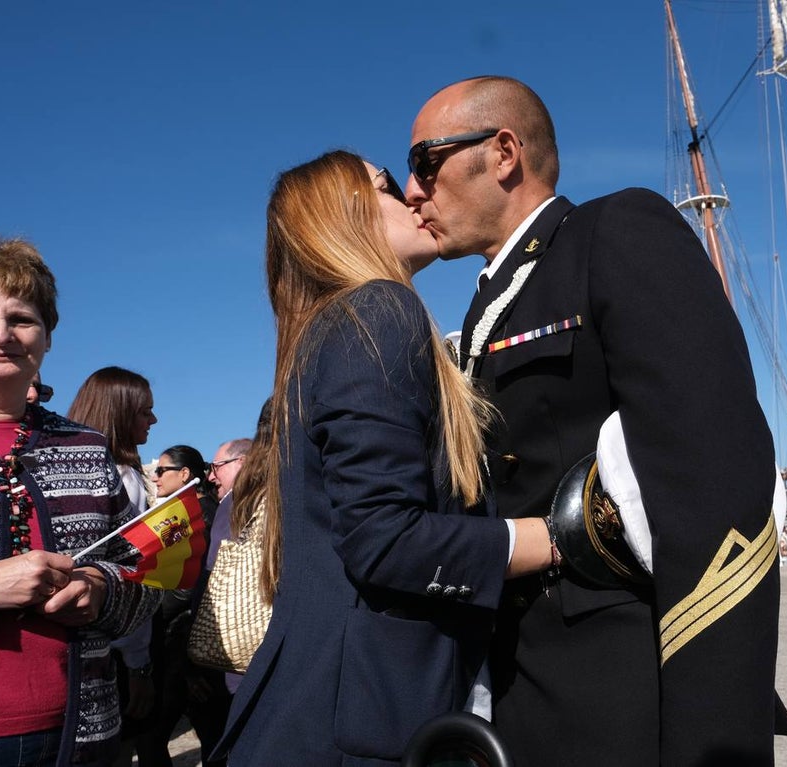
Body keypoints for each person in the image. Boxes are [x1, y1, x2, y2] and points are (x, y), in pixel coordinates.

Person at [405, 76, 787, 765]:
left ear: (502, 153)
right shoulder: (483, 311)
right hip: (525, 701)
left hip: (626, 699)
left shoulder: (614, 233)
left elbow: (716, 493)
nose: (414, 191)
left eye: (424, 163)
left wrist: (715, 745)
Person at [214, 151, 555, 765]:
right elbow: (385, 539)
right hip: (364, 722)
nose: (418, 195)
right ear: (344, 214)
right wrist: (559, 537)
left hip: (315, 710)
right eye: (392, 186)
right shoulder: (377, 310)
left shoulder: (320, 334)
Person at [0, 237, 160, 766]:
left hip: (84, 734)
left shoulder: (84, 447)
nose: (2, 335)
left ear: (47, 338)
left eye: (22, 318)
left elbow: (147, 573)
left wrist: (103, 591)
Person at [67, 365, 160, 755]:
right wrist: (139, 665)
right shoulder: (125, 478)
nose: (154, 420)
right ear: (119, 414)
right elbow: (133, 574)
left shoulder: (68, 473)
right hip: (111, 655)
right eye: (144, 412)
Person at [134, 445, 227, 767]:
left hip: (186, 647)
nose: (156, 478)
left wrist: (152, 614)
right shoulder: (212, 511)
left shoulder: (198, 517)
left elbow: (194, 586)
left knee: (154, 738)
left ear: (185, 474)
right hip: (190, 648)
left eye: (162, 471)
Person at [200, 436, 253, 694]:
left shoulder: (235, 502)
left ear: (241, 463)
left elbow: (216, 571)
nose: (211, 476)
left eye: (216, 466)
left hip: (240, 651)